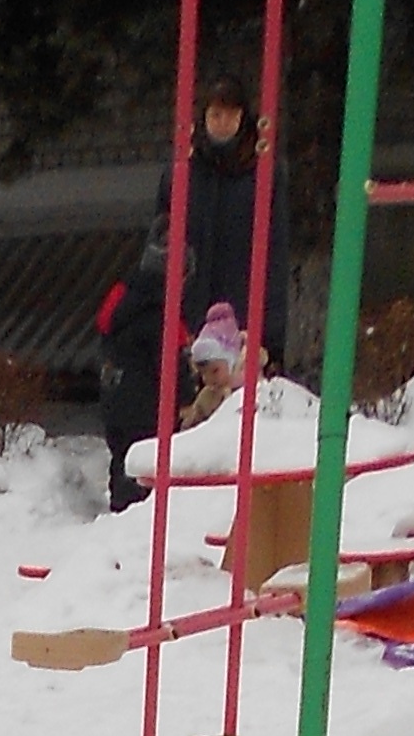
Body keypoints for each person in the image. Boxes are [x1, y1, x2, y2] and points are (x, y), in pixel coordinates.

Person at [99, 75, 291, 512]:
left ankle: (224, 508)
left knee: (232, 413)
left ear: (244, 119)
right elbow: (161, 240)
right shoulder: (183, 170)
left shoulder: (263, 174)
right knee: (182, 409)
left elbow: (274, 253)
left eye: (230, 114)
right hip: (187, 308)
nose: (221, 123)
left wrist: (271, 334)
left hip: (239, 311)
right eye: (214, 113)